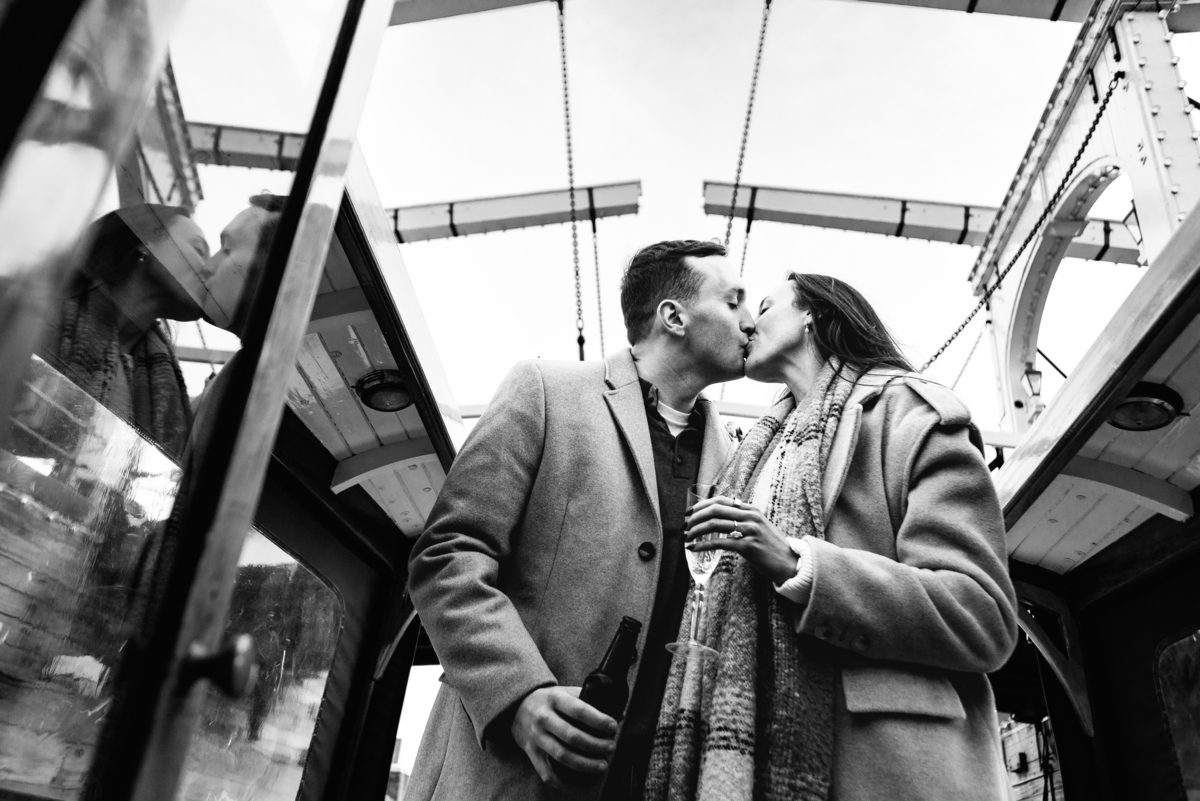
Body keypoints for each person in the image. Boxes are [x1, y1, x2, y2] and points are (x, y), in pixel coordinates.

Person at [406, 240, 756, 800]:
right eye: (734, 300)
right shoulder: (545, 391)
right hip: (505, 776)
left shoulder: (742, 459)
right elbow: (447, 554)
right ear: (674, 316)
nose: (750, 318)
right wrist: (519, 697)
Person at [647, 273, 1019, 801]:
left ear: (812, 316)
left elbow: (983, 615)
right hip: (749, 757)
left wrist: (801, 567)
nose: (748, 320)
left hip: (888, 766)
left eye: (767, 305)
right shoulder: (748, 453)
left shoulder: (912, 416)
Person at [39, 203, 210, 458]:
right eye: (199, 250)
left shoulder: (163, 378)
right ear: (146, 241)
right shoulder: (39, 316)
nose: (209, 269)